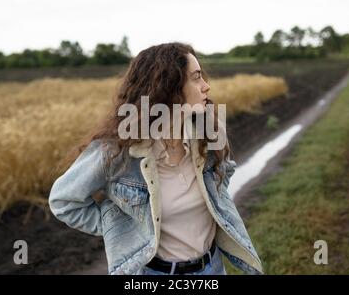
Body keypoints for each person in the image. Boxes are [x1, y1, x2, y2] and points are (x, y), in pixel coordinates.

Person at [48, 42, 263, 275]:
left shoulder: (208, 134)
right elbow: (63, 201)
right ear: (168, 87)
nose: (206, 86)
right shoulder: (116, 151)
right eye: (196, 77)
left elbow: (225, 169)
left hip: (211, 269)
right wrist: (121, 227)